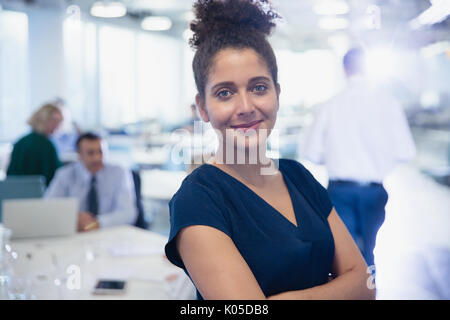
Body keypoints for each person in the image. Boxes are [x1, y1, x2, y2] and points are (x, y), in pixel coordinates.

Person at [164, 0, 373, 300]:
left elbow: (366, 287)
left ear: (277, 94)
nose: (246, 107)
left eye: (259, 87)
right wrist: (338, 290)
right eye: (225, 93)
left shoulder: (298, 176)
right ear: (203, 108)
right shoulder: (198, 200)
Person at [303, 47, 416, 268]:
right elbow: (406, 152)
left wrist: (339, 156)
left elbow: (311, 153)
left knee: (347, 256)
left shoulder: (330, 105)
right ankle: (369, 286)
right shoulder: (388, 104)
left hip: (340, 191)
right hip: (374, 191)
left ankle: (356, 289)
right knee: (368, 250)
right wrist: (379, 163)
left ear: (344, 69)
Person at [45, 132, 137, 232]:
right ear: (79, 155)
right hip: (75, 232)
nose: (97, 158)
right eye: (90, 153)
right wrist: (72, 218)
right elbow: (49, 208)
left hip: (109, 232)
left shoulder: (119, 173)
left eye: (101, 152)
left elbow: (128, 213)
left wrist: (96, 223)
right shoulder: (65, 175)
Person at [7, 102, 63, 186]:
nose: (57, 126)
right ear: (44, 120)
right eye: (54, 121)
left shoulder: (20, 142)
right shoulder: (46, 145)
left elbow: (10, 175)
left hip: (17, 193)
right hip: (41, 194)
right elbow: (56, 176)